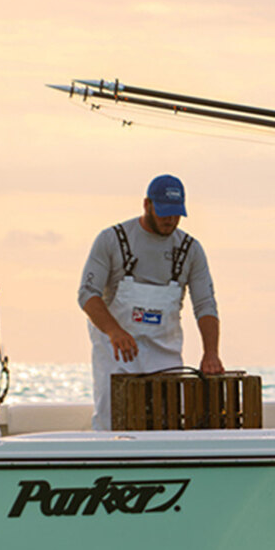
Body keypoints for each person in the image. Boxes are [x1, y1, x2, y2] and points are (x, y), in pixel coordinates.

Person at [78, 174, 223, 430]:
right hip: (115, 355)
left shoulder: (191, 250)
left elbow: (205, 305)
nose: (170, 220)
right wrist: (114, 331)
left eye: (176, 214)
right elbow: (87, 295)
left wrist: (210, 352)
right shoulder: (111, 240)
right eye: (164, 212)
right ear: (147, 205)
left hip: (164, 355)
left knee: (167, 422)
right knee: (112, 420)